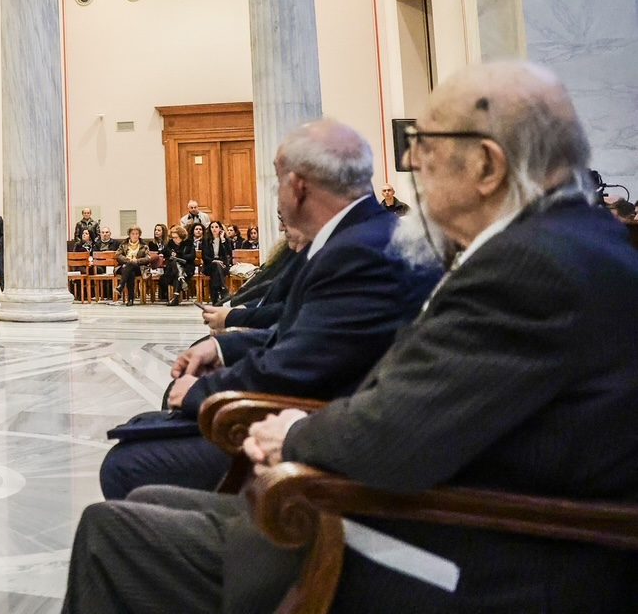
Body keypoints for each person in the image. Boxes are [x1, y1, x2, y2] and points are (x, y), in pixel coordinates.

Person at [65, 61, 638, 614]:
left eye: (422, 145)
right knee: (148, 500)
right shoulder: (565, 245)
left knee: (113, 535)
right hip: (450, 510)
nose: (411, 162)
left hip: (473, 555)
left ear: (487, 165)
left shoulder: (534, 269)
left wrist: (295, 434)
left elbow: (394, 437)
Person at [96, 118, 439, 501]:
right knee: (146, 426)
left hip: (314, 432)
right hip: (317, 407)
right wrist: (224, 348)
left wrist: (201, 392)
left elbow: (298, 365)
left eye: (277, 183)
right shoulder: (367, 234)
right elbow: (312, 336)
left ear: (298, 186)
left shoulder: (359, 251)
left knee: (128, 462)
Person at [116, 227, 157, 306]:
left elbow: (147, 258)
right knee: (130, 272)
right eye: (133, 234)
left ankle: (121, 286)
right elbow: (118, 255)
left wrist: (137, 261)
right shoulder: (123, 244)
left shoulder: (144, 245)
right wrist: (127, 260)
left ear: (139, 235)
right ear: (129, 235)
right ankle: (130, 299)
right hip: (125, 266)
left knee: (130, 267)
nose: (135, 235)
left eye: (137, 234)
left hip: (139, 267)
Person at [199, 220, 233, 306]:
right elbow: (204, 256)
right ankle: (223, 289)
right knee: (216, 266)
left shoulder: (225, 240)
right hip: (209, 265)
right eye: (212, 227)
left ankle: (215, 298)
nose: (214, 229)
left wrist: (223, 240)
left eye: (216, 227)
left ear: (220, 229)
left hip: (223, 265)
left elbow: (228, 254)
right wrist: (214, 261)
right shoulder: (206, 240)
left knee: (216, 270)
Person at [160, 225, 195, 306]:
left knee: (177, 274)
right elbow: (163, 252)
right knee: (175, 264)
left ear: (181, 237)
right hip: (172, 269)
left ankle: (175, 298)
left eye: (176, 237)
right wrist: (169, 254)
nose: (174, 239)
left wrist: (180, 256)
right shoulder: (170, 243)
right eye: (173, 237)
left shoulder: (189, 243)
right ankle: (181, 279)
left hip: (186, 267)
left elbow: (192, 256)